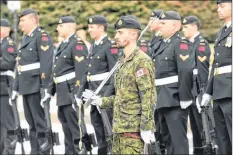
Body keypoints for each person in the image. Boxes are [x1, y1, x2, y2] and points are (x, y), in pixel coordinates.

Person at [82, 15, 156, 154]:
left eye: (121, 32)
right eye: (116, 32)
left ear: (133, 35)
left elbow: (148, 97)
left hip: (134, 132)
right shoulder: (122, 62)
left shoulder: (141, 61)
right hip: (118, 129)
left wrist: (146, 126)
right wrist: (100, 101)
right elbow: (122, 98)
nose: (116, 36)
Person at [11, 8, 54, 154]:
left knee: (40, 123)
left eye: (22, 20)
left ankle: (43, 151)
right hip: (26, 86)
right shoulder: (26, 38)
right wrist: (16, 87)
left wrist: (45, 88)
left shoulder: (41, 37)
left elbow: (46, 64)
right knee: (31, 124)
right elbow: (20, 66)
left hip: (36, 86)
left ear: (32, 20)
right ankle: (34, 151)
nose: (20, 24)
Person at [76, 15, 118, 155]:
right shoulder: (94, 46)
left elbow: (114, 73)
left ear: (101, 28)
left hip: (104, 92)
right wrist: (79, 93)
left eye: (92, 27)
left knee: (108, 128)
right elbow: (87, 73)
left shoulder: (110, 45)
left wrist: (106, 96)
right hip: (92, 93)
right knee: (97, 126)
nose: (89, 30)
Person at [46, 16, 88, 154]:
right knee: (66, 130)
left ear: (70, 27)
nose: (57, 28)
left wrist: (78, 93)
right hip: (62, 93)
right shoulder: (64, 44)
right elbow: (56, 70)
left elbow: (81, 71)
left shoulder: (77, 44)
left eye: (60, 26)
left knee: (76, 132)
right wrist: (50, 91)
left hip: (71, 93)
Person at [154, 11, 194, 154]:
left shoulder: (180, 44)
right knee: (167, 140)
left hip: (174, 99)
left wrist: (184, 97)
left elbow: (185, 70)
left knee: (178, 142)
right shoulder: (160, 45)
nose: (160, 26)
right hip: (160, 99)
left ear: (175, 26)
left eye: (163, 23)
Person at [201, 0, 232, 154]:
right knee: (222, 138)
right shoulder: (222, 32)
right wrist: (208, 91)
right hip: (220, 91)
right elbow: (216, 65)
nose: (218, 9)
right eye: (217, 6)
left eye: (222, 6)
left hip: (231, 90)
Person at [182, 15, 211, 155]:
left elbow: (202, 71)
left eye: (186, 27)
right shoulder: (187, 44)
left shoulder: (201, 44)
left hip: (198, 89)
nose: (183, 30)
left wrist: (202, 92)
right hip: (189, 88)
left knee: (202, 126)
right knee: (194, 126)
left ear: (194, 26)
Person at [0, 18, 17, 154]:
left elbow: (7, 64)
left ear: (6, 29)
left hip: (5, 86)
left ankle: (9, 150)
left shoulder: (9, 44)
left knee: (8, 122)